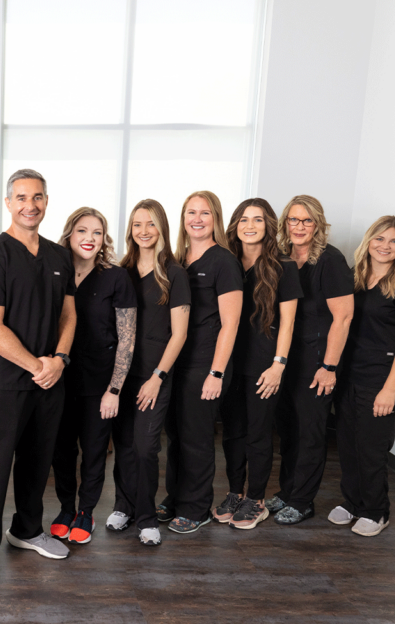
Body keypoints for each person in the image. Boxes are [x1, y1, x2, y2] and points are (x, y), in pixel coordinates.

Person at [0, 169, 76, 592]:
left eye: (39, 197)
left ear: (47, 201)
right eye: (22, 197)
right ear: (9, 203)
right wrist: (37, 365)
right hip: (7, 382)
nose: (31, 204)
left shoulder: (58, 256)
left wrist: (60, 359)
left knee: (37, 462)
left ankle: (27, 530)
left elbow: (69, 314)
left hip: (50, 379)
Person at [331, 216, 395, 536]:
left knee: (372, 448)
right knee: (347, 444)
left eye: (394, 241)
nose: (385, 246)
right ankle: (354, 503)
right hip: (348, 375)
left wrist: (389, 390)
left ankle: (375, 510)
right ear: (368, 241)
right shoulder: (355, 279)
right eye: (380, 239)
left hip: (381, 380)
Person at [213, 199, 302, 530]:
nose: (250, 225)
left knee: (258, 433)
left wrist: (278, 365)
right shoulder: (227, 263)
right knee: (232, 433)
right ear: (234, 224)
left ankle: (256, 499)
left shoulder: (284, 266)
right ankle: (236, 492)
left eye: (258, 220)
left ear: (269, 226)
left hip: (264, 365)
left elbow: (289, 322)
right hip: (229, 363)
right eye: (244, 219)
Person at [49, 207, 135, 545]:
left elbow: (127, 339)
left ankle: (86, 511)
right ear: (69, 234)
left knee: (95, 450)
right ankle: (66, 508)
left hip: (101, 381)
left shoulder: (116, 277)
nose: (89, 238)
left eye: (97, 233)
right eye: (82, 231)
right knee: (62, 450)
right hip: (59, 378)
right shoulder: (55, 273)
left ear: (104, 240)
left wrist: (114, 389)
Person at [159, 190, 243, 534]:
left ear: (216, 219)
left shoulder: (223, 261)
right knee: (175, 434)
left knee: (195, 437)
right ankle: (176, 495)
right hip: (176, 361)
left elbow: (231, 323)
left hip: (206, 363)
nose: (197, 219)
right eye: (190, 212)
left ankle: (196, 507)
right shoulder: (177, 260)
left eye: (204, 213)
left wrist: (217, 372)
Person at [109, 200, 190, 546]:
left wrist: (158, 376)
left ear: (162, 229)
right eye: (137, 224)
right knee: (124, 444)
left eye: (151, 224)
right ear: (130, 230)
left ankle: (146, 517)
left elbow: (180, 333)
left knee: (145, 447)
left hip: (154, 374)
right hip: (119, 372)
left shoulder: (175, 273)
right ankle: (123, 506)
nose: (143, 231)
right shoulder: (119, 270)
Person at [270, 195, 354, 525]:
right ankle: (287, 489)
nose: (299, 227)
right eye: (294, 220)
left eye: (307, 221)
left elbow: (344, 317)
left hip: (319, 359)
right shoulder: (283, 258)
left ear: (317, 225)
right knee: (288, 429)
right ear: (285, 224)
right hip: (289, 357)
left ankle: (303, 500)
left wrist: (329, 367)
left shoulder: (330, 261)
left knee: (310, 431)